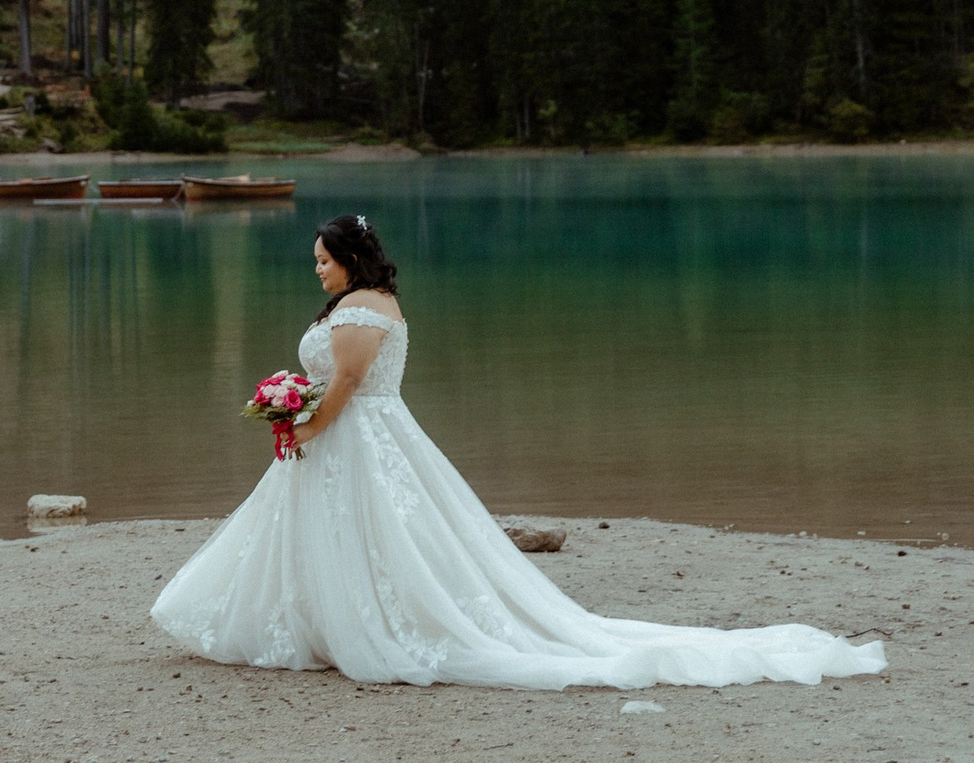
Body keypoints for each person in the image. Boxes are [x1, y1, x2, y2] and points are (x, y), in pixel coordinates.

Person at [150, 213, 887, 689]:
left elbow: (346, 377)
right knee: (352, 536)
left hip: (360, 435)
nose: (316, 270)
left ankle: (357, 626)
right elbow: (334, 376)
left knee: (377, 535)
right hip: (357, 434)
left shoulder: (363, 308)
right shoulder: (363, 304)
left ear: (349, 257)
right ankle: (321, 622)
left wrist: (308, 423)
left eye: (321, 260)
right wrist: (296, 406)